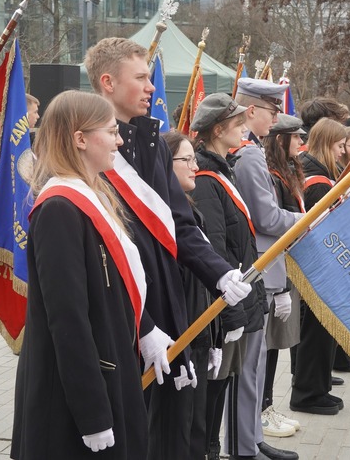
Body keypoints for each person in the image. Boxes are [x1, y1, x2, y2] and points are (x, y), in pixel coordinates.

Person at [84, 37, 251, 460]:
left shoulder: (153, 142)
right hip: (120, 311)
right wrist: (141, 324)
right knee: (126, 432)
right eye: (140, 78)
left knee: (171, 431)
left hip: (166, 302)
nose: (151, 88)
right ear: (107, 82)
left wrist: (219, 272)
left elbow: (180, 224)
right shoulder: (85, 147)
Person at [11, 90, 148, 459]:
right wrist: (92, 413)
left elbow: (114, 281)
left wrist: (146, 330)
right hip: (74, 397)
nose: (119, 140)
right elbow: (67, 318)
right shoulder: (59, 208)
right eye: (111, 130)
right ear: (80, 139)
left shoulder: (93, 195)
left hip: (108, 367)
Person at [188, 94, 267, 460]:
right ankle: (209, 451)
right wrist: (231, 314)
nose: (244, 130)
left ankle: (216, 449)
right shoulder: (205, 180)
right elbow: (216, 252)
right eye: (237, 125)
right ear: (218, 131)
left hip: (239, 299)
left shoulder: (223, 170)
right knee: (214, 391)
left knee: (224, 387)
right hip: (225, 307)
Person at [230, 79, 303, 460]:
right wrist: (306, 218)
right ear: (252, 110)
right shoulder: (249, 156)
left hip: (260, 269)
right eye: (272, 111)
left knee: (254, 366)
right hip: (255, 269)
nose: (275, 120)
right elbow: (266, 217)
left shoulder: (251, 152)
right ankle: (246, 444)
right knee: (249, 367)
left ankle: (252, 438)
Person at [290, 118, 347, 416]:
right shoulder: (318, 181)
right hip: (319, 265)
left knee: (320, 331)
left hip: (320, 266)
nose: (341, 152)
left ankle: (317, 386)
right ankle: (308, 393)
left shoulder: (316, 172)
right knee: (316, 332)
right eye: (339, 145)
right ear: (326, 145)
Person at [162, 129, 214, 459]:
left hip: (199, 333)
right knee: (178, 431)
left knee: (197, 425)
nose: (195, 166)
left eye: (194, 158)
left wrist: (215, 335)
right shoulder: (164, 215)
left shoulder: (191, 210)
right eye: (187, 160)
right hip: (179, 338)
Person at [260, 113, 306, 438]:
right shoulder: (272, 176)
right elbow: (271, 226)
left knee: (277, 343)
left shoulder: (286, 172)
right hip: (276, 271)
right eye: (296, 137)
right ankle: (261, 411)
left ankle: (268, 406)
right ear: (280, 140)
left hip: (287, 269)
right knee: (270, 342)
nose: (302, 143)